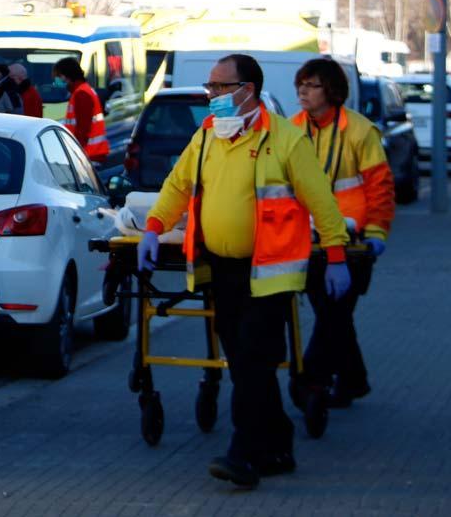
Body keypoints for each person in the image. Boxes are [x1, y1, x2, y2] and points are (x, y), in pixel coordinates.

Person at [138, 53, 351, 489]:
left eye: (218, 87)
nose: (210, 95)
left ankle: (243, 454)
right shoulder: (208, 136)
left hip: (270, 274)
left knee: (253, 362)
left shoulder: (286, 140)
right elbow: (179, 184)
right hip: (222, 271)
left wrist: (336, 255)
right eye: (210, 87)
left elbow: (322, 203)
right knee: (243, 364)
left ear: (246, 90)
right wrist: (154, 227)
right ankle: (279, 447)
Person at [291, 57, 394, 408]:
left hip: (353, 243)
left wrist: (377, 232)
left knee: (333, 313)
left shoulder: (360, 131)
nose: (303, 91)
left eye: (312, 85)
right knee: (333, 314)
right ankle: (353, 380)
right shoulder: (292, 129)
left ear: (332, 91)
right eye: (301, 85)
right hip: (308, 240)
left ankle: (310, 379)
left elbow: (380, 187)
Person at [53, 57, 108, 162]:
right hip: (90, 153)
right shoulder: (81, 91)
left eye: (58, 76)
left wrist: (76, 155)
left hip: (88, 155)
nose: (57, 80)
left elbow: (82, 130)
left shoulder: (81, 94)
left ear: (66, 76)